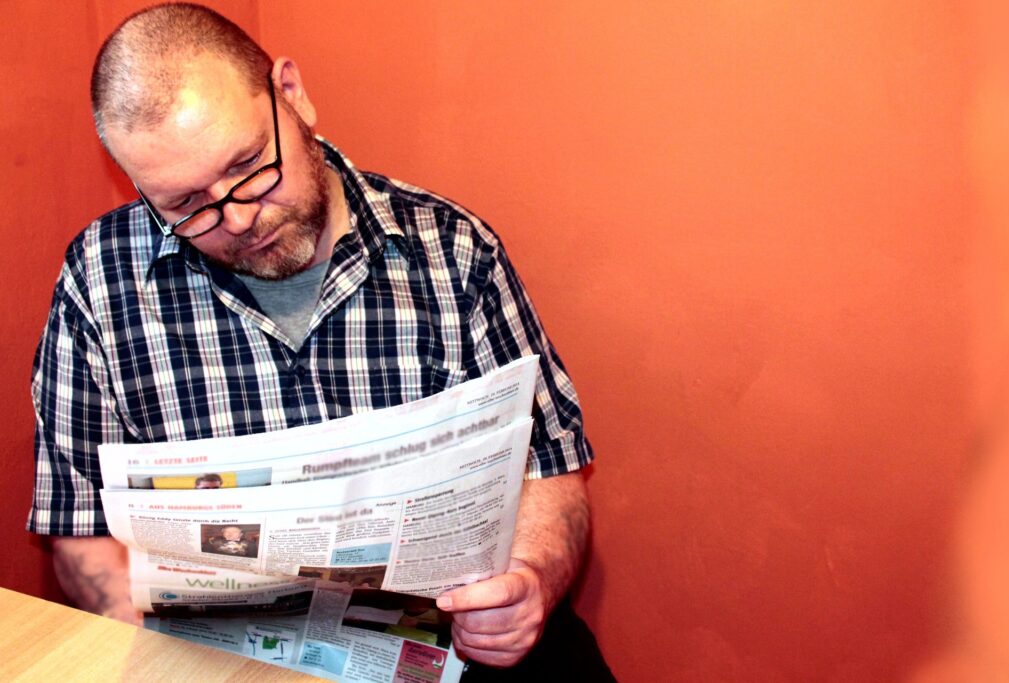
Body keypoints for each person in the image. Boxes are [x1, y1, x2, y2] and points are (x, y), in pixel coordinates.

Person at [27, 3, 613, 679]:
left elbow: (551, 469)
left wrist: (529, 580)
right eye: (186, 204)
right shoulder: (100, 282)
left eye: (249, 164)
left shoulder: (454, 253)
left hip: (454, 651)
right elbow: (81, 530)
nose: (238, 218)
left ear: (292, 94)